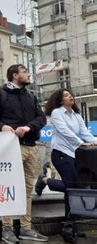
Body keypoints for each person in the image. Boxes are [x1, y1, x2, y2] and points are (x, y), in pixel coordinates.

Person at [0, 64, 48, 243]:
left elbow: (41, 118)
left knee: (28, 189)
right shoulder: (1, 95)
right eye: (24, 72)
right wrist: (3, 126)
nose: (28, 75)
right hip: (12, 148)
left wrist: (29, 127)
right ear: (15, 75)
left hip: (31, 146)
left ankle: (26, 228)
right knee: (9, 187)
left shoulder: (31, 96)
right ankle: (7, 228)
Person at [34, 88, 97, 218]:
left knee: (74, 188)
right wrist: (80, 142)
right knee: (71, 185)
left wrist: (94, 141)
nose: (70, 96)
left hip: (75, 155)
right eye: (66, 95)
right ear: (61, 100)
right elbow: (64, 131)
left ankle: (69, 223)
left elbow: (85, 133)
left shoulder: (77, 115)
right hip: (61, 153)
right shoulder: (56, 113)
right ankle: (45, 180)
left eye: (70, 94)